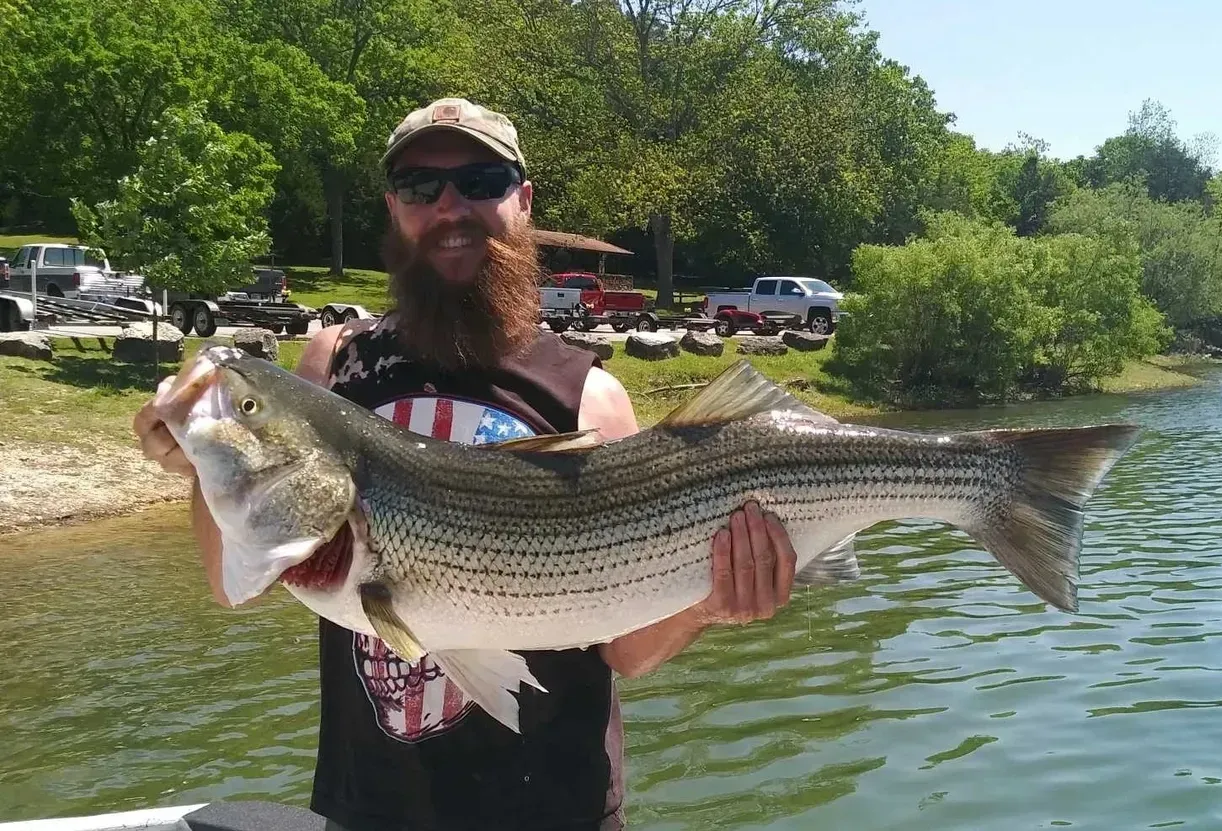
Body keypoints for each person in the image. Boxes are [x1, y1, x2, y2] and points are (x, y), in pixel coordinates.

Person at [132, 97, 800, 830]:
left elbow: (627, 650)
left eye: (481, 180)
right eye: (421, 187)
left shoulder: (593, 395)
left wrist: (709, 598)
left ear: (523, 199)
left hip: (561, 811)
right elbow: (233, 579)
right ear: (394, 208)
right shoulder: (334, 365)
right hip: (371, 810)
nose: (451, 206)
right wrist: (205, 453)